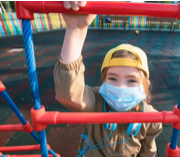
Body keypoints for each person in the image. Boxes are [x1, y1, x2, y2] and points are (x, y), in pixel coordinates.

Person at [54, 1, 163, 157]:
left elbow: (148, 152)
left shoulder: (151, 118)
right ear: (103, 81)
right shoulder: (97, 102)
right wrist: (75, 30)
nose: (121, 87)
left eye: (131, 80)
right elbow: (69, 93)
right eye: (112, 78)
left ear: (145, 86)